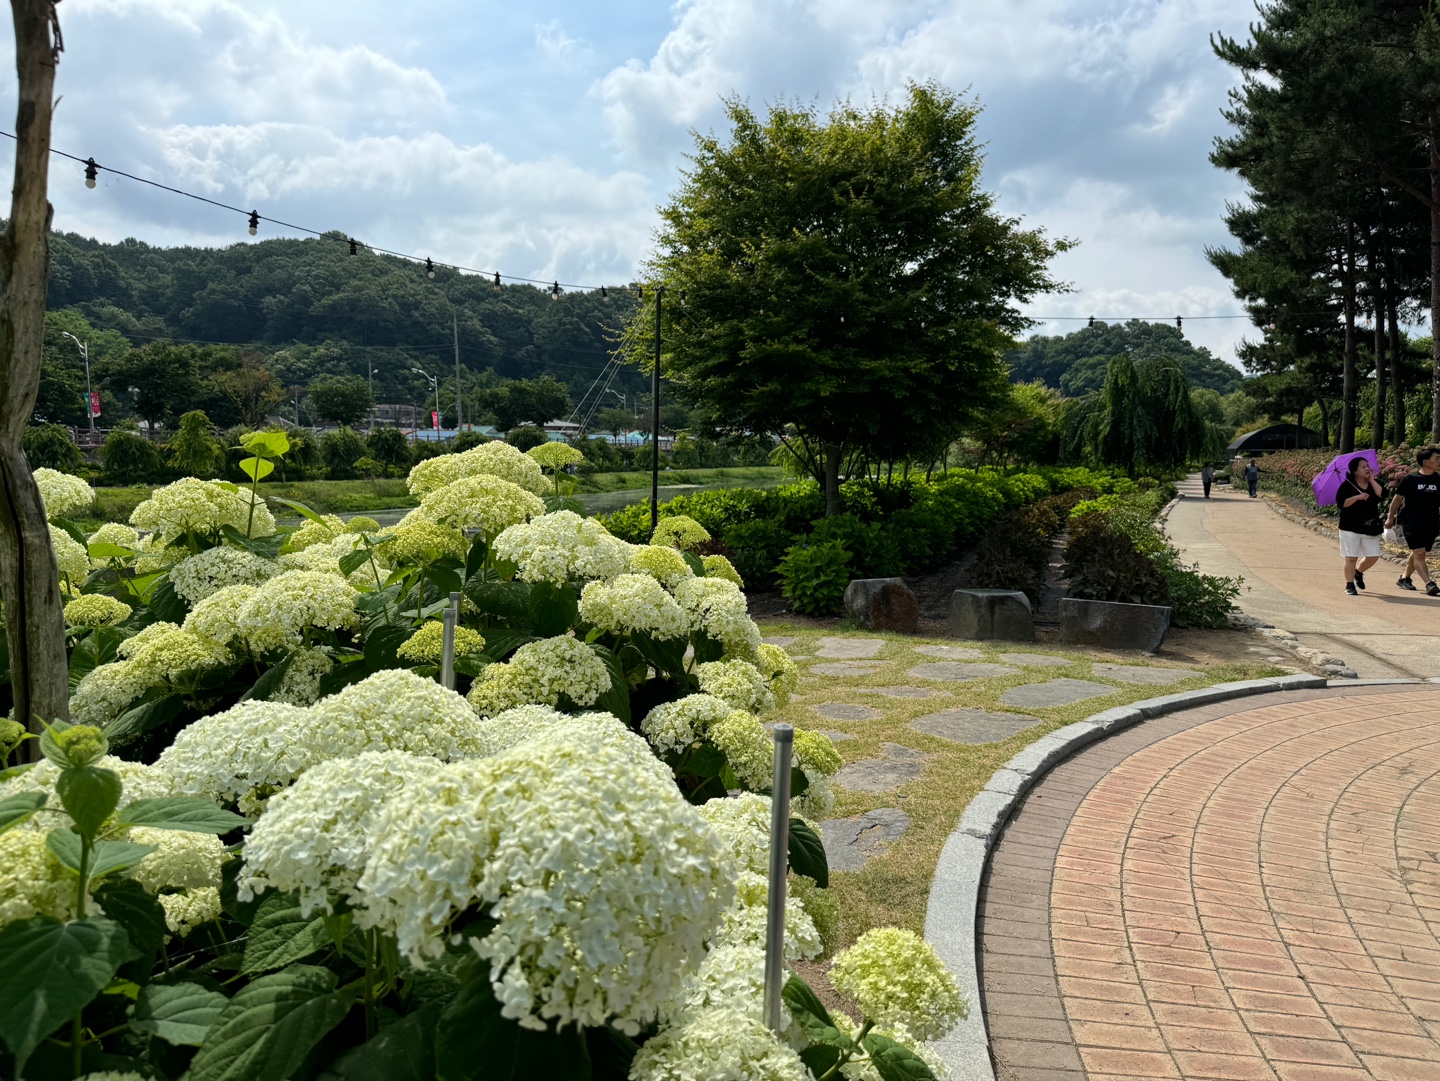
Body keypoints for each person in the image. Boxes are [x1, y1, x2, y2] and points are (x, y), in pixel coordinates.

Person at [1385, 446, 1440, 596]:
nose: (1439, 461)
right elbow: (1397, 499)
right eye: (1436, 458)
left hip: (1432, 522)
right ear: (1425, 461)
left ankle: (1404, 578)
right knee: (1419, 552)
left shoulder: (1438, 479)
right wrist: (1390, 517)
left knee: (1419, 553)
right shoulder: (1410, 479)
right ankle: (1429, 584)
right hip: (1412, 522)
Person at [1336, 456, 1383, 596]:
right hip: (1349, 527)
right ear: (1354, 471)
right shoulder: (1346, 486)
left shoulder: (1373, 484)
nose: (1367, 468)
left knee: (1373, 556)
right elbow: (1341, 504)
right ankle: (1349, 584)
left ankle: (1358, 572)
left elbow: (1382, 494)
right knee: (1351, 557)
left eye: (1367, 466)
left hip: (1370, 527)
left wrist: (1372, 480)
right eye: (1363, 467)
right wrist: (1357, 497)